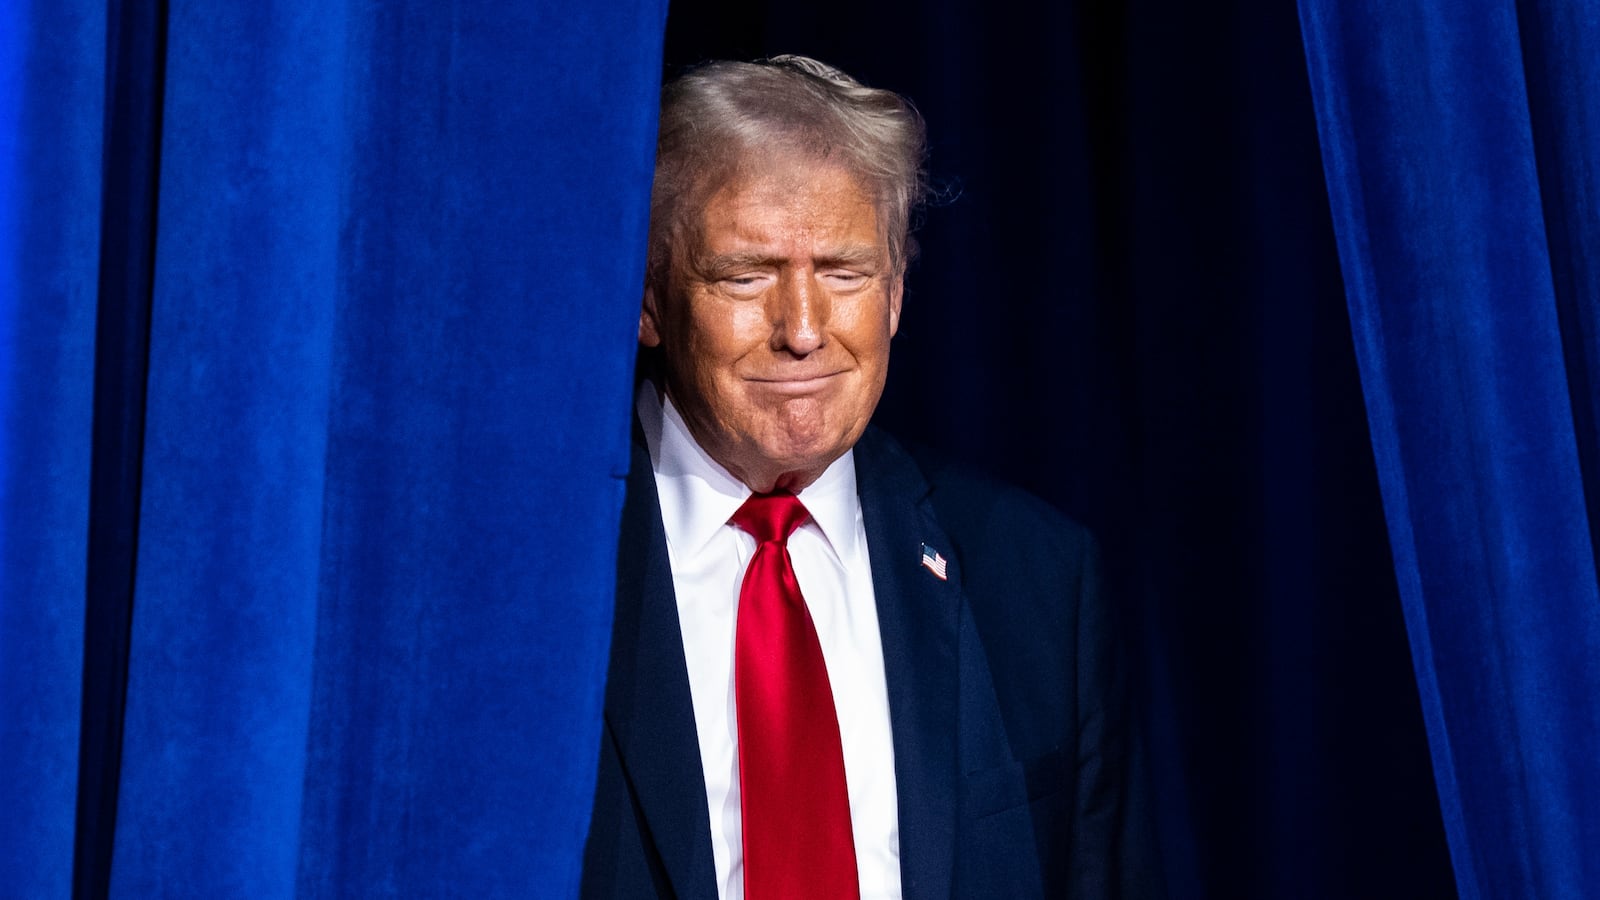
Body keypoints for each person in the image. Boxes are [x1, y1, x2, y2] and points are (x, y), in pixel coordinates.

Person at [581, 55, 1155, 899]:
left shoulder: (1037, 579)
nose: (804, 331)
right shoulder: (539, 577)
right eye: (748, 275)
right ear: (650, 300)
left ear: (894, 292)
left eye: (844, 273)